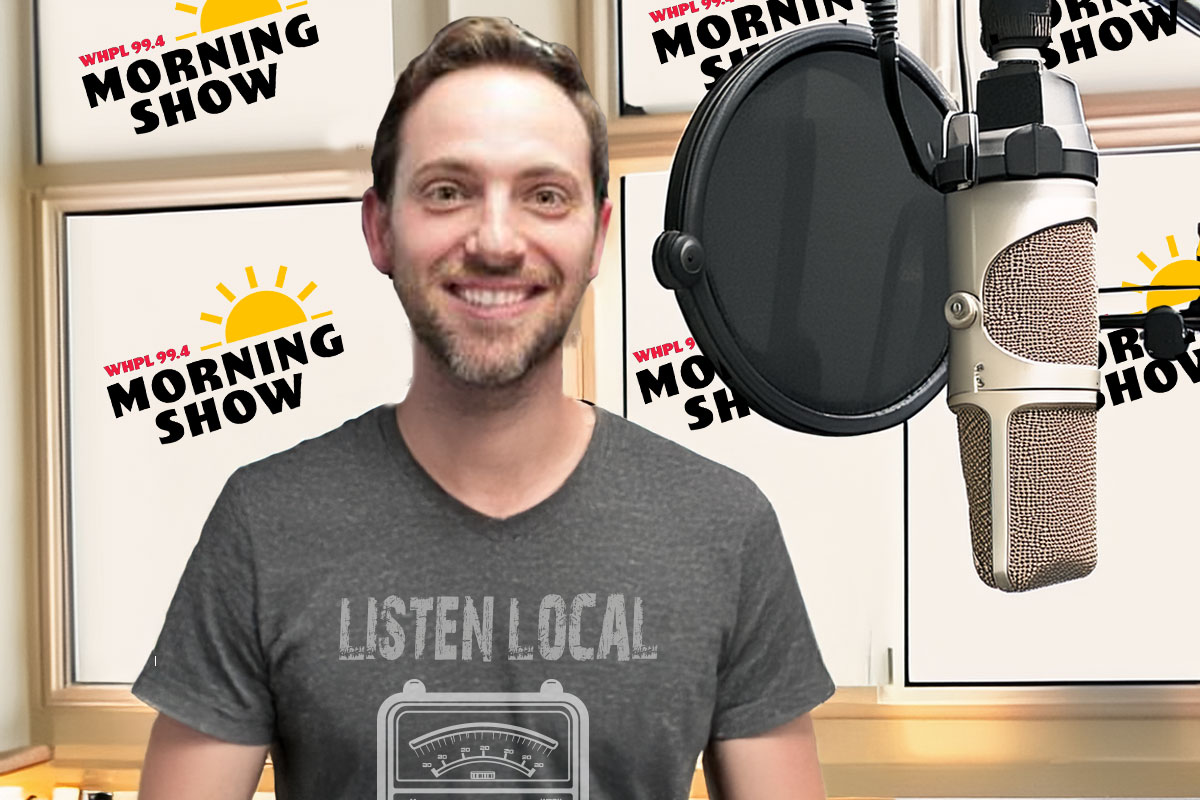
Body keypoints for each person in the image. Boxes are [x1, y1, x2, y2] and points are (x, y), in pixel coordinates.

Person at [131, 16, 835, 800]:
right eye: (447, 191)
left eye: (544, 195)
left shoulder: (724, 528)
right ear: (380, 228)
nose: (497, 240)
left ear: (598, 237)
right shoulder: (265, 524)